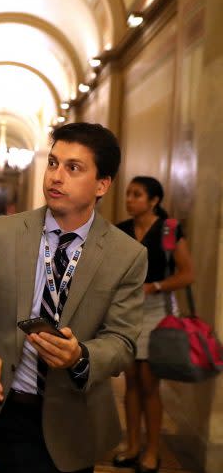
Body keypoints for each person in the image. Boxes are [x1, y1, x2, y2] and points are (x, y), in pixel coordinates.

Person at [0, 122, 148, 473]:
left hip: (76, 420)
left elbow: (122, 341)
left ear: (102, 184)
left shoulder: (126, 255)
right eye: (53, 163)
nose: (56, 176)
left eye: (73, 168)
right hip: (7, 409)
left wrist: (80, 355)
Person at [113, 176, 194, 473]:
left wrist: (156, 286)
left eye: (137, 194)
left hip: (156, 312)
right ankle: (132, 445)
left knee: (149, 383)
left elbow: (187, 274)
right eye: (128, 194)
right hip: (126, 313)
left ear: (154, 200)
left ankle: (152, 450)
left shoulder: (169, 230)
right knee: (130, 382)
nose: (129, 199)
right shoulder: (120, 230)